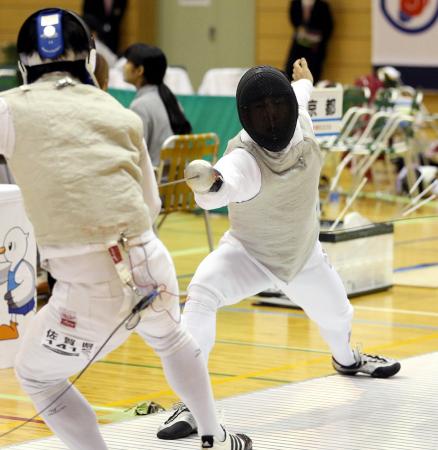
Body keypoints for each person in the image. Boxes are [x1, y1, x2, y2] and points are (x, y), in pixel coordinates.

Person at [0, 8, 251, 450]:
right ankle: (216, 436)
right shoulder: (119, 111)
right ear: (90, 59)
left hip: (87, 283)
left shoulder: (8, 109)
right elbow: (150, 203)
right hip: (152, 261)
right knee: (172, 338)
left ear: (24, 64)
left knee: (36, 373)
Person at [157, 59, 401, 440]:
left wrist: (304, 82)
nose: (271, 116)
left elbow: (300, 96)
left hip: (303, 257)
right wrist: (209, 185)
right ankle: (192, 403)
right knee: (202, 291)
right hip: (248, 255)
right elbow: (224, 185)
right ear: (245, 116)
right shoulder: (243, 158)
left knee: (339, 317)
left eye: (277, 105)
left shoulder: (301, 119)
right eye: (260, 110)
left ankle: (348, 361)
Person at [123, 43, 192, 167]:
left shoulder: (139, 106)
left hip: (155, 182)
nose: (124, 66)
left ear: (139, 70)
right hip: (178, 181)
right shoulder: (170, 98)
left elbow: (137, 154)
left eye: (128, 62)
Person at [285, 0, 334, 83]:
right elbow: (294, 21)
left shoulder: (323, 6)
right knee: (291, 71)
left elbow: (328, 27)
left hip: (316, 48)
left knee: (313, 74)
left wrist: (314, 37)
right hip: (298, 46)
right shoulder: (295, 3)